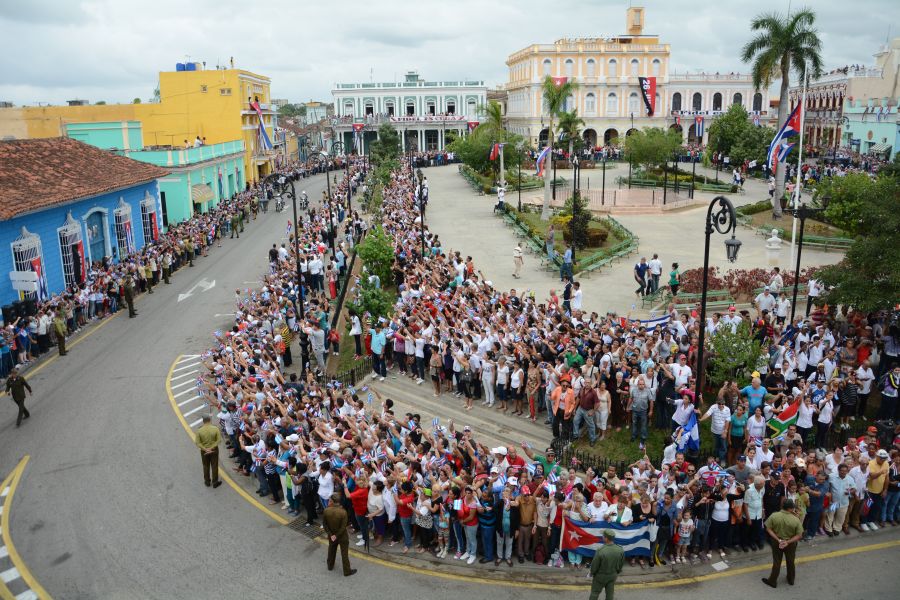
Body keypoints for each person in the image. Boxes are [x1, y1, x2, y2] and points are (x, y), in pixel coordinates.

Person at [761, 498, 803, 588]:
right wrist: (787, 542)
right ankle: (791, 579)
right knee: (790, 561)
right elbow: (799, 535)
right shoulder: (795, 519)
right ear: (790, 508)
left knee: (777, 562)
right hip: (790, 544)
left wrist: (778, 540)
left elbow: (768, 529)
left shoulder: (774, 515)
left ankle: (772, 581)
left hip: (777, 542)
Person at [323, 492, 356, 577]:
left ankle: (330, 566)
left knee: (331, 550)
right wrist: (337, 535)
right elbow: (343, 526)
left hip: (331, 535)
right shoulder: (343, 512)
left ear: (332, 501)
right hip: (342, 536)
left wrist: (331, 535)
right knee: (344, 554)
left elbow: (325, 525)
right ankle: (347, 571)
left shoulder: (326, 511)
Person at [589, 530, 624, 600]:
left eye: (603, 536)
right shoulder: (620, 549)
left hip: (600, 576)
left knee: (595, 593)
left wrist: (592, 573)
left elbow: (594, 566)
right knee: (610, 594)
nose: (602, 537)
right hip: (612, 575)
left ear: (606, 538)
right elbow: (621, 564)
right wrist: (617, 572)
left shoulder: (600, 550)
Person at [194, 414, 222, 488]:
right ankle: (215, 482)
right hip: (214, 450)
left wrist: (205, 449)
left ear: (203, 421)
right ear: (210, 420)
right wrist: (211, 448)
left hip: (204, 451)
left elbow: (198, 442)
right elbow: (218, 440)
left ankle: (207, 482)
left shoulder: (199, 430)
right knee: (214, 466)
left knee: (205, 466)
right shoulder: (215, 429)